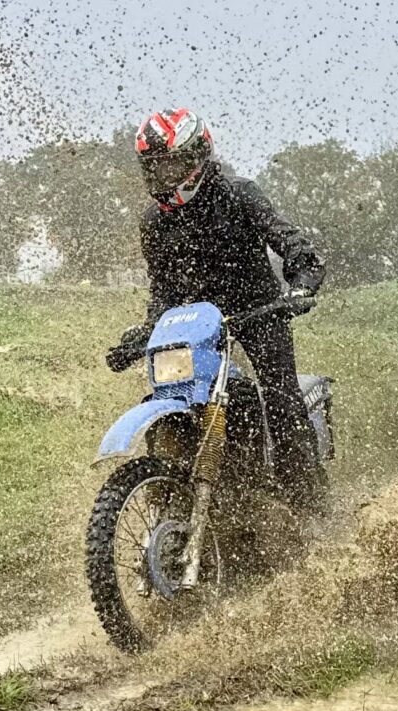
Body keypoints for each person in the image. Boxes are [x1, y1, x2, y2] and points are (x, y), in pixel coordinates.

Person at [109, 107, 326, 508]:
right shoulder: (154, 222)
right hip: (197, 323)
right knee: (175, 395)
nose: (164, 176)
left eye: (172, 164)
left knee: (281, 399)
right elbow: (163, 289)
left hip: (261, 311)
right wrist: (147, 330)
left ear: (197, 157)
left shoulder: (239, 193)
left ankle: (309, 505)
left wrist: (301, 285)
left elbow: (294, 247)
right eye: (154, 168)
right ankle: (176, 498)